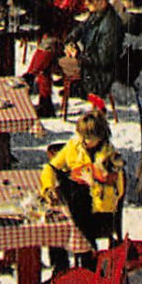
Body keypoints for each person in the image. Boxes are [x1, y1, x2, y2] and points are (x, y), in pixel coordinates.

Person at [42, 108, 124, 272]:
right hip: (77, 204)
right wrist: (49, 187)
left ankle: (89, 265)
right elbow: (51, 167)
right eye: (82, 136)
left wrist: (95, 181)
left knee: (71, 215)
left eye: (89, 137)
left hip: (100, 212)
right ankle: (61, 268)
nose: (84, 140)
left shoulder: (111, 155)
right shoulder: (74, 144)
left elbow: (117, 191)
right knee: (53, 220)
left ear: (100, 136)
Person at [64, 0, 124, 101]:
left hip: (99, 75)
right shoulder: (96, 14)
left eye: (90, 1)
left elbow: (103, 60)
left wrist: (78, 55)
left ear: (102, 2)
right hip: (88, 65)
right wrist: (71, 42)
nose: (86, 4)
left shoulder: (110, 26)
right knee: (51, 50)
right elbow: (81, 28)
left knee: (51, 57)